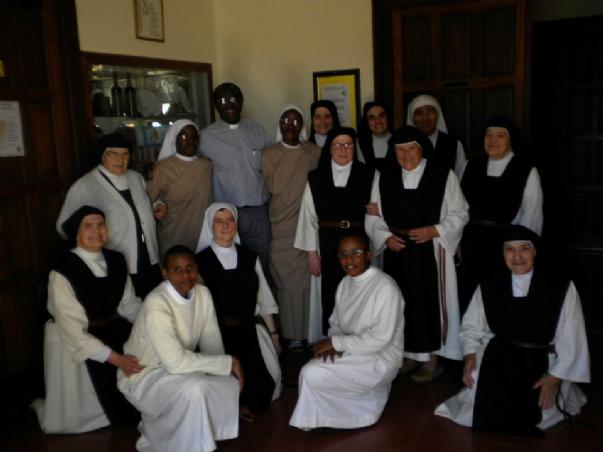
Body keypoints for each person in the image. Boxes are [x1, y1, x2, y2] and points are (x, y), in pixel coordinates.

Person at [435, 226, 590, 435]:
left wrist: (555, 377)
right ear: (502, 254)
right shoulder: (490, 284)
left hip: (543, 357)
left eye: (524, 249)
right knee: (481, 392)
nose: (517, 256)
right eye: (510, 250)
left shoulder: (560, 286)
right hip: (499, 353)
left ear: (535, 252)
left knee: (540, 405)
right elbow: (471, 326)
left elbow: (573, 335)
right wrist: (470, 354)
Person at [365, 125, 469, 382]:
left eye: (411, 148)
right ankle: (407, 356)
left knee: (428, 303)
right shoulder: (385, 176)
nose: (406, 155)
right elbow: (373, 215)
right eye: (400, 149)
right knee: (400, 304)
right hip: (397, 250)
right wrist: (386, 237)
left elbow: (461, 212)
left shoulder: (443, 175)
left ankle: (432, 361)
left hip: (431, 251)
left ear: (422, 150)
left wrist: (436, 230)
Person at [118, 245, 243, 452]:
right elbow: (175, 363)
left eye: (190, 267)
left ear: (197, 269)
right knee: (195, 387)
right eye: (177, 269)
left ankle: (200, 435)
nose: (185, 275)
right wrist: (227, 363)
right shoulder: (156, 303)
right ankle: (181, 442)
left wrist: (225, 372)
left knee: (226, 382)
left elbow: (213, 345)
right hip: (144, 374)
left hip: (179, 367)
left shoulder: (203, 294)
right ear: (165, 273)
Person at [33, 206, 142, 433]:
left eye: (101, 224)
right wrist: (117, 359)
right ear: (76, 232)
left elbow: (128, 304)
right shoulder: (62, 270)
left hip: (111, 331)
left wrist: (155, 321)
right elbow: (71, 328)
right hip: (73, 339)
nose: (96, 230)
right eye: (88, 226)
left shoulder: (116, 260)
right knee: (75, 420)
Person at [289, 234, 404, 430]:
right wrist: (336, 342)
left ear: (368, 255)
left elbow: (381, 339)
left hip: (381, 356)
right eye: (343, 254)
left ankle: (364, 409)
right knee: (312, 368)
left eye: (356, 253)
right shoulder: (344, 284)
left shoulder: (385, 286)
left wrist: (337, 344)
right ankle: (334, 412)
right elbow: (336, 323)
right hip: (352, 349)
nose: (349, 260)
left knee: (311, 373)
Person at [195, 203, 281, 420]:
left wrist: (274, 336)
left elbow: (264, 300)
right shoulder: (200, 262)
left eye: (230, 220)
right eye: (219, 221)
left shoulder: (249, 257)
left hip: (249, 334)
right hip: (217, 336)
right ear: (209, 225)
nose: (226, 226)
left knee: (260, 397)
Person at [56, 133, 163, 298]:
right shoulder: (85, 185)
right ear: (102, 155)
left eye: (125, 154)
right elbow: (63, 226)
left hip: (149, 257)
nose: (120, 159)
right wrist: (89, 251)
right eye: (113, 154)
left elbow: (144, 203)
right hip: (114, 264)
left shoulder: (135, 178)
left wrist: (157, 205)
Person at [295, 127, 375, 343]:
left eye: (348, 145)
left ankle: (357, 340)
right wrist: (312, 253)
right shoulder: (316, 177)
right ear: (329, 149)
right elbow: (308, 216)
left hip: (358, 237)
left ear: (354, 148)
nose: (343, 149)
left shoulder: (368, 173)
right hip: (326, 242)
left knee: (358, 290)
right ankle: (330, 340)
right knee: (329, 292)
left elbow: (375, 211)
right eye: (338, 145)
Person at [457, 116, 543, 313]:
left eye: (500, 136)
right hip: (471, 244)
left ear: (510, 139)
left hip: (505, 247)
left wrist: (521, 251)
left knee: (498, 296)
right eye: (489, 135)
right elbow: (459, 207)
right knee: (467, 296)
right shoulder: (470, 166)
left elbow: (532, 215)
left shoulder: (526, 170)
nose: (493, 140)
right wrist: (458, 241)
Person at [262, 105, 321, 349]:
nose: (290, 125)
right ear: (279, 124)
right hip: (281, 226)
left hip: (308, 224)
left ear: (302, 126)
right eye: (285, 120)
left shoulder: (313, 152)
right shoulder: (269, 154)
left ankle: (310, 332)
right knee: (286, 283)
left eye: (296, 121)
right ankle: (290, 334)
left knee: (308, 283)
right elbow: (267, 188)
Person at [200, 82, 272, 269]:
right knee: (232, 264)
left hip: (258, 212)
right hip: (226, 215)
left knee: (260, 263)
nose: (229, 104)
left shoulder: (258, 131)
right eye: (223, 100)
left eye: (233, 99)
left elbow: (272, 166)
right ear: (216, 104)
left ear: (241, 101)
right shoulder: (206, 137)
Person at [147, 119, 213, 256]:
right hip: (174, 232)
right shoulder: (162, 168)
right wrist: (158, 205)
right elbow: (147, 200)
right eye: (184, 136)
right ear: (174, 139)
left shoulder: (206, 165)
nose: (190, 141)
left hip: (202, 231)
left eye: (194, 137)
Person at [406, 94, 467, 177]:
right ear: (413, 118)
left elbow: (461, 176)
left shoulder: (454, 144)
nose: (425, 118)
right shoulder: (405, 145)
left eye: (429, 111)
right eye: (419, 113)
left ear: (437, 114)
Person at [357, 101, 392, 172]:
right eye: (372, 118)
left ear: (388, 117)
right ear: (367, 122)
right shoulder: (359, 143)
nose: (378, 121)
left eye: (381, 116)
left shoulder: (399, 140)